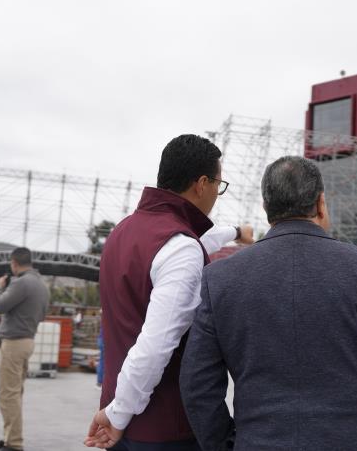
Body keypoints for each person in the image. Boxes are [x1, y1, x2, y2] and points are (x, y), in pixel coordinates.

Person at [180, 156, 357, 451]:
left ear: (267, 209)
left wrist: (227, 444)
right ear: (320, 203)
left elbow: (197, 384)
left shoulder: (220, 278)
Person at [85, 134, 253, 451]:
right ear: (201, 184)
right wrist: (119, 415)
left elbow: (191, 244)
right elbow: (154, 346)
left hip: (118, 415)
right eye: (220, 184)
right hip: (162, 430)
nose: (218, 193)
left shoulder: (123, 230)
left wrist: (236, 232)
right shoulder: (181, 249)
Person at [0, 247, 50, 451]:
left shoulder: (22, 282)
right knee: (15, 392)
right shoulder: (42, 284)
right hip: (28, 339)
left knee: (8, 394)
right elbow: (42, 313)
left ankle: (13, 444)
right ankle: (9, 438)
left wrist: (0, 287)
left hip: (13, 343)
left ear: (14, 263)